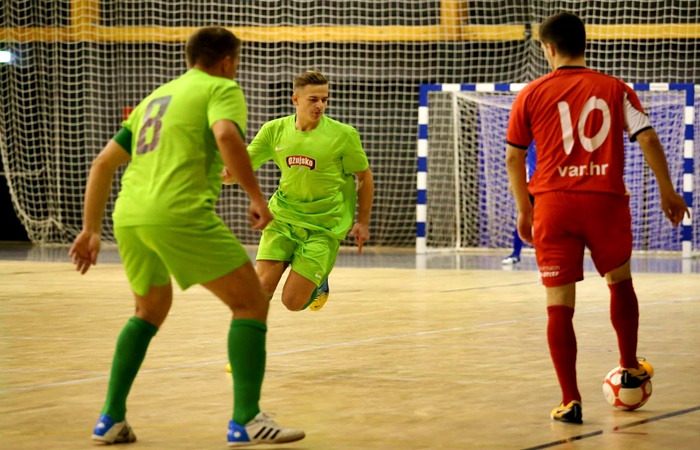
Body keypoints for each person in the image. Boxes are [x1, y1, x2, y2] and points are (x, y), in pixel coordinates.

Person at [69, 26, 305, 446]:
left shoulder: (155, 98)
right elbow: (226, 135)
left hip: (129, 217)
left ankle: (110, 419)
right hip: (177, 213)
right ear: (227, 62)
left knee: (149, 310)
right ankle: (247, 420)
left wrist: (90, 229)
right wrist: (256, 196)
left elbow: (103, 162)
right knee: (251, 303)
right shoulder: (221, 88)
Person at [505, 12, 689, 424]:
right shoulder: (614, 88)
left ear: (548, 48)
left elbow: (514, 157)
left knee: (559, 304)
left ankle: (570, 400)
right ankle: (629, 366)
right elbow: (648, 137)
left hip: (553, 205)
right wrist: (668, 190)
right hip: (605, 201)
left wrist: (524, 209)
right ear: (584, 43)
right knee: (619, 281)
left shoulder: (530, 93)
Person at [225, 70, 374, 314]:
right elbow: (241, 167)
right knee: (260, 290)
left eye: (324, 99)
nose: (320, 105)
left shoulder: (343, 135)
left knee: (292, 302)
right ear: (295, 99)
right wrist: (226, 174)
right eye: (313, 99)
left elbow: (364, 177)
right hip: (283, 217)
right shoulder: (274, 130)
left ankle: (318, 281)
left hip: (324, 225)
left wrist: (363, 221)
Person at [502, 143, 536, 265]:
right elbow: (516, 157)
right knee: (524, 216)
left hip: (551, 182)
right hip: (532, 182)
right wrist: (514, 181)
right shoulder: (529, 140)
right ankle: (515, 253)